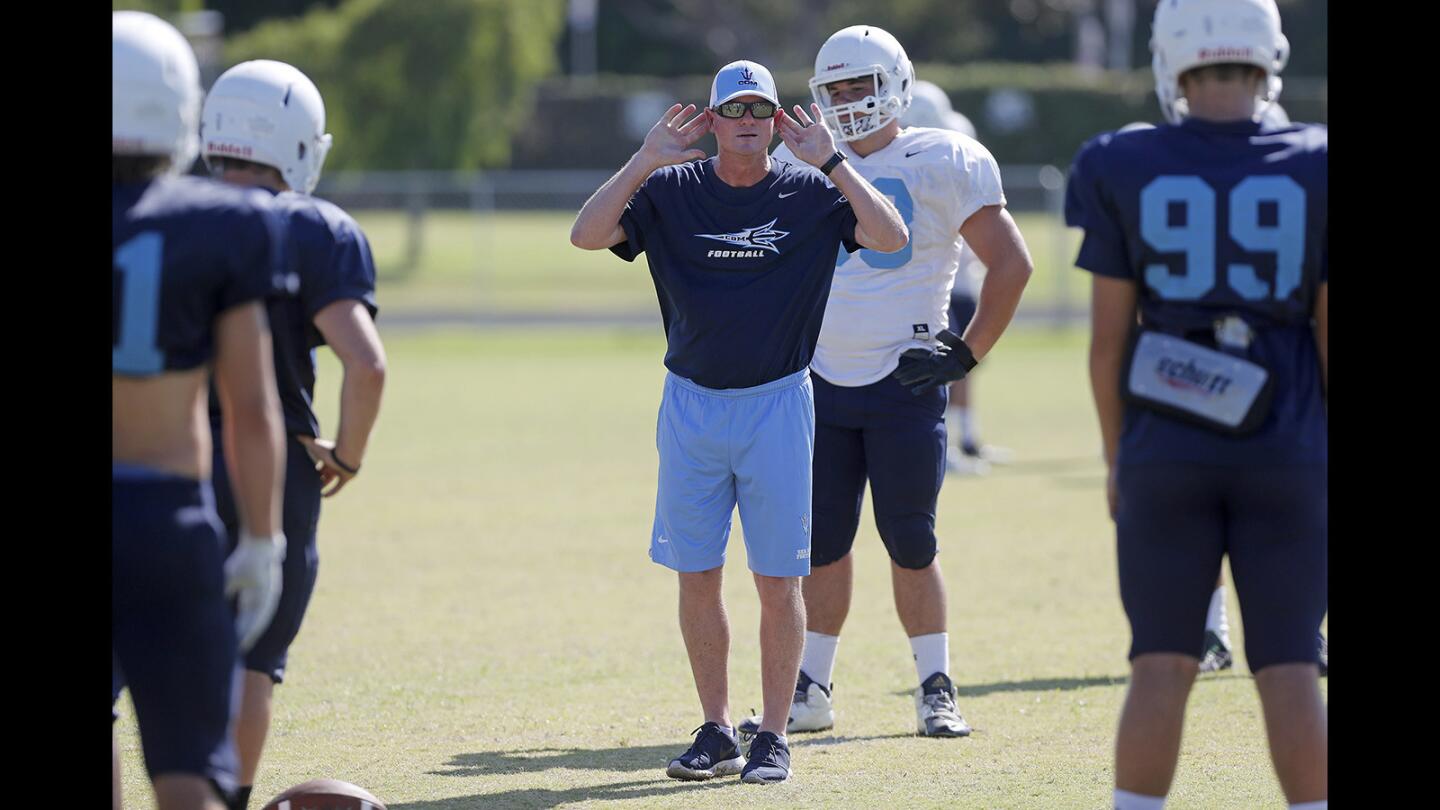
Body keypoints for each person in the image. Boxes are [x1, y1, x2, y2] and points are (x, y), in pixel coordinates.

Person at [570, 59, 907, 784]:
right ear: (715, 120)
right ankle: (718, 729)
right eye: (735, 110)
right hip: (690, 403)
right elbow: (587, 235)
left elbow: (889, 236)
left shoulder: (813, 193)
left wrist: (835, 161)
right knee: (697, 573)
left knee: (778, 577)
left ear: (777, 121)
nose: (748, 122)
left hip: (778, 403)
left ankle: (774, 735)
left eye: (761, 110)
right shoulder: (668, 190)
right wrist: (643, 159)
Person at [1064, 1, 1327, 807]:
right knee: (1288, 665)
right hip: (1286, 447)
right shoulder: (1316, 159)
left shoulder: (1119, 161)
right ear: (1268, 53)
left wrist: (1117, 458)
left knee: (1162, 662)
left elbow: (1109, 341)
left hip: (1164, 442)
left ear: (1170, 55)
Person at [742, 25, 1033, 740]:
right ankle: (811, 689)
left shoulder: (945, 157)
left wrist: (967, 354)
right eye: (834, 90)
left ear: (896, 84)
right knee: (824, 546)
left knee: (912, 538)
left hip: (906, 378)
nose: (846, 103)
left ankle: (936, 684)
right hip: (820, 381)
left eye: (859, 86)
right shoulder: (802, 159)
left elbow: (1012, 264)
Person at [113, 11, 288, 810]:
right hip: (166, 517)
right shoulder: (223, 222)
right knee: (189, 773)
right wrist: (261, 536)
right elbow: (250, 407)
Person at [200, 59, 386, 810]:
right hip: (274, 467)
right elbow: (365, 365)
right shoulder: (318, 229)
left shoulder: (168, 212)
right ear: (301, 143)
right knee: (253, 663)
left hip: (161, 461)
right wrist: (346, 455)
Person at [901, 79, 1013, 476]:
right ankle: (947, 443)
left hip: (952, 281)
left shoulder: (934, 155)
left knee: (957, 362)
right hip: (928, 288)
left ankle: (964, 438)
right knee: (936, 365)